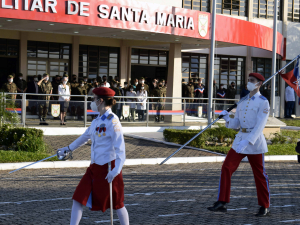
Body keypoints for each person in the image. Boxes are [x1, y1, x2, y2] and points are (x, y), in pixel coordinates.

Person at [57, 87, 129, 225]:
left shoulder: (113, 121)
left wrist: (116, 170)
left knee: (118, 204)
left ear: (100, 101)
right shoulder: (96, 120)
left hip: (109, 169)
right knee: (78, 197)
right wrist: (68, 149)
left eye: (94, 99)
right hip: (94, 168)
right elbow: (84, 137)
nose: (92, 101)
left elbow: (121, 149)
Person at [208, 73, 271, 217]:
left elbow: (260, 126)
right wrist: (227, 118)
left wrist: (248, 141)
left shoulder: (263, 102)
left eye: (252, 81)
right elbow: (236, 124)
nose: (249, 83)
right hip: (240, 139)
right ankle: (222, 202)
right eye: (248, 80)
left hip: (253, 142)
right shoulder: (242, 101)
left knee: (260, 174)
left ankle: (264, 205)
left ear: (259, 83)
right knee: (226, 168)